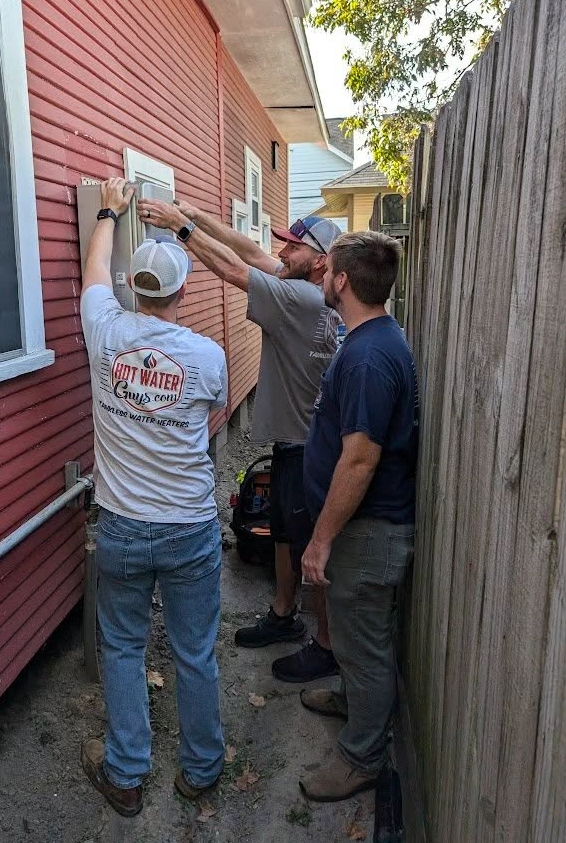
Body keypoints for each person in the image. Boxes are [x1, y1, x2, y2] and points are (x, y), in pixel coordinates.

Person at [137, 196, 341, 683]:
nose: (281, 251)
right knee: (284, 533)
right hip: (297, 440)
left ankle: (327, 645)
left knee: (310, 545)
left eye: (293, 247)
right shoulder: (307, 288)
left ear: (320, 262)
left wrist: (180, 228)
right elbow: (250, 252)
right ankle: (283, 614)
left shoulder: (299, 300)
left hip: (307, 446)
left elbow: (234, 269)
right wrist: (197, 216)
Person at [79, 179, 228, 817]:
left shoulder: (104, 330)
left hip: (121, 525)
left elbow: (92, 274)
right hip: (189, 525)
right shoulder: (208, 356)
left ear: (134, 288)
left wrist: (109, 210)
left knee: (122, 645)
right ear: (181, 291)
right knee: (194, 651)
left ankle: (126, 772)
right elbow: (212, 415)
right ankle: (201, 770)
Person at [298, 231, 419, 803]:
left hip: (367, 533)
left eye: (327, 271)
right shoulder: (370, 340)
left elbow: (361, 458)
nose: (322, 278)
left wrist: (320, 540)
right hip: (362, 528)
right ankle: (352, 702)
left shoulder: (369, 357)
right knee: (351, 637)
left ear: (342, 280)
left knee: (366, 648)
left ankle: (362, 758)